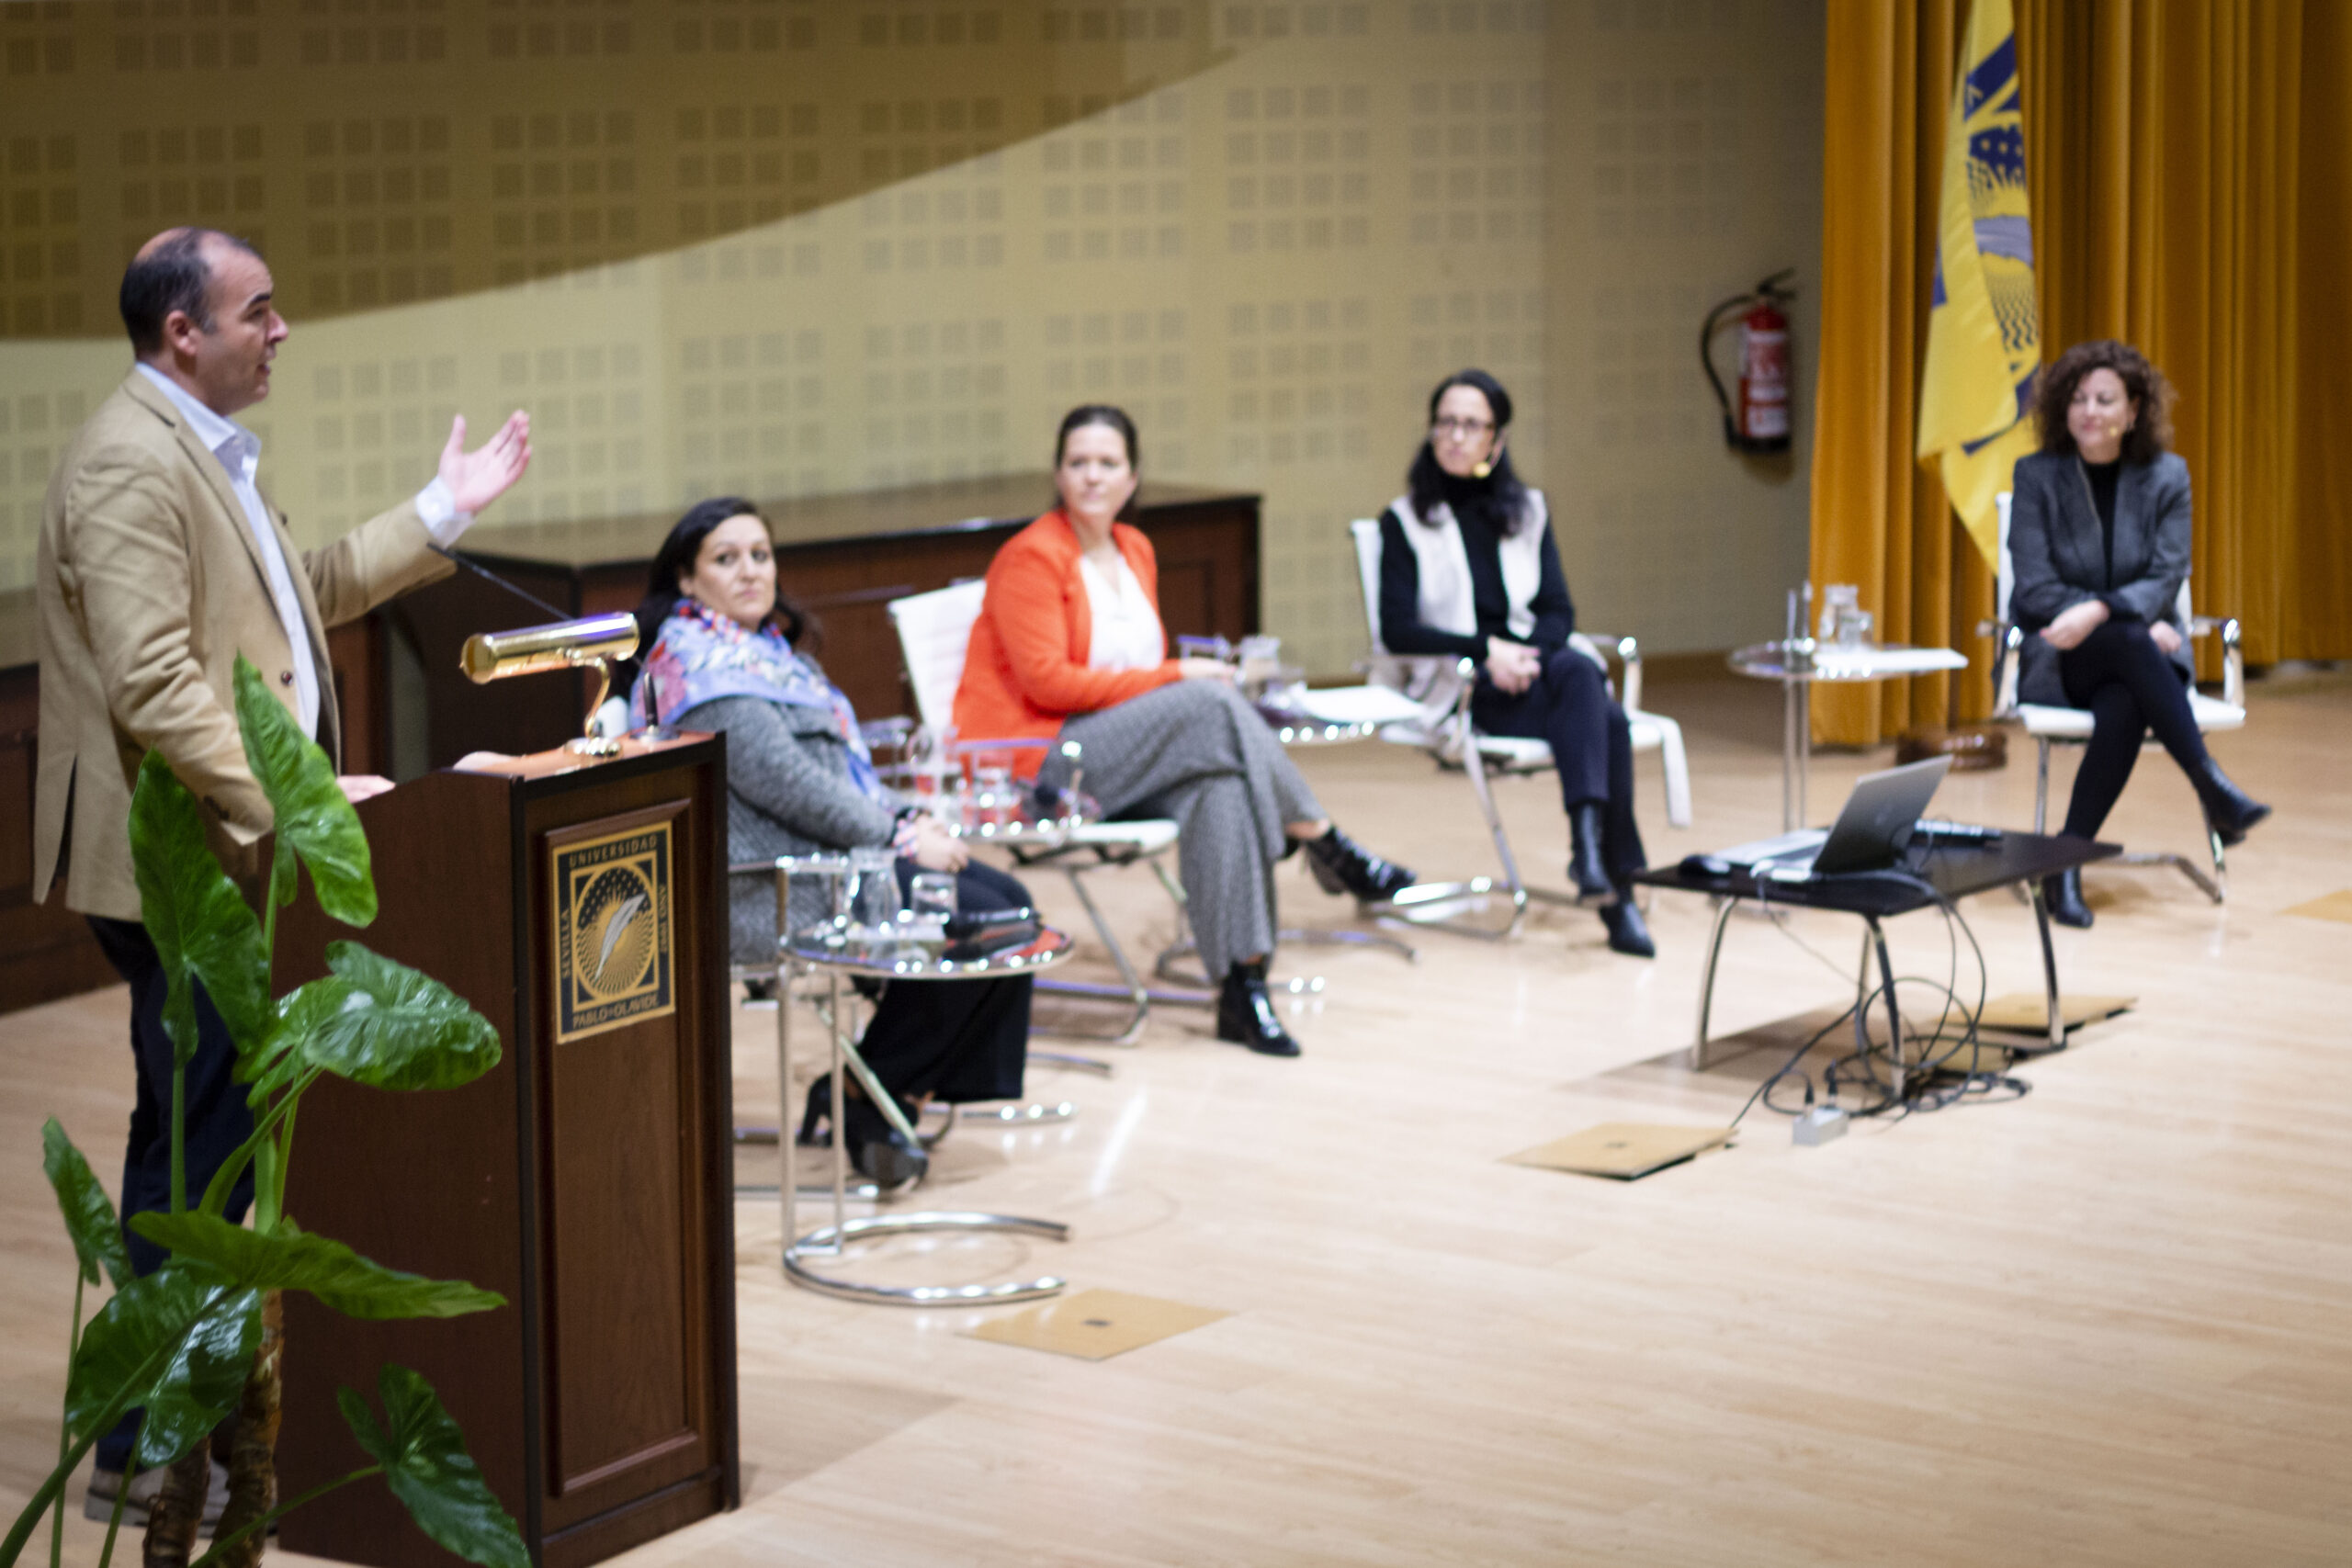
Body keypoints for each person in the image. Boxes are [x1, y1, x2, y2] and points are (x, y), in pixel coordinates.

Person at [33, 226, 532, 1517]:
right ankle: (144, 1446)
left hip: (225, 853)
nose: (281, 329)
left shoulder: (199, 449)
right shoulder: (130, 461)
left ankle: (162, 1425)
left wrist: (441, 512)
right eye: (258, 309)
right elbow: (153, 682)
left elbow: (293, 602)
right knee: (197, 1154)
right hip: (182, 861)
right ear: (182, 331)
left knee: (197, 1137)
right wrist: (291, 804)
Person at [952, 405, 1416, 1057]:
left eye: (1107, 463)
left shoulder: (1135, 549)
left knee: (1220, 785)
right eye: (1078, 462)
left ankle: (1241, 987)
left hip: (1119, 756)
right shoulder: (1031, 556)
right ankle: (1321, 837)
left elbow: (1132, 676)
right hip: (1045, 764)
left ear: (1132, 476)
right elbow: (1050, 684)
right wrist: (1175, 674)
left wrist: (1167, 680)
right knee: (1207, 699)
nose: (1092, 476)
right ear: (1058, 474)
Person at [630, 498, 1034, 1186]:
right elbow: (787, 784)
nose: (750, 571)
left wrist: (911, 817)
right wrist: (897, 835)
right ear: (687, 579)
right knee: (983, 921)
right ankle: (876, 1094)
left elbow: (842, 778)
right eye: (726, 559)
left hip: (839, 856)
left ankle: (881, 1087)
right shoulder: (699, 668)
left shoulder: (770, 656)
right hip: (777, 882)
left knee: (1012, 908)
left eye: (760, 555)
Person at [1375, 369, 1654, 957]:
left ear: (1496, 440)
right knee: (1607, 719)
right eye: (1445, 423)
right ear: (1431, 431)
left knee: (1577, 672)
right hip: (1464, 688)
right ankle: (1613, 883)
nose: (1455, 435)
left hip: (1532, 674)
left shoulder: (1527, 511)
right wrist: (1486, 653)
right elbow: (1398, 627)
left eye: (1471, 425)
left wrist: (1525, 659)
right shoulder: (1404, 521)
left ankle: (1591, 853)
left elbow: (1557, 609)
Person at [2008, 340, 2270, 929]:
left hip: (2139, 659)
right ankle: (2210, 786)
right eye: (2078, 399)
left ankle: (2065, 862)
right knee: (2130, 646)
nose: (2089, 411)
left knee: (2125, 701)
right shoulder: (2036, 475)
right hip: (2062, 654)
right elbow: (2035, 586)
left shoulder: (2167, 476)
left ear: (2133, 412)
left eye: (2105, 400)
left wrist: (2106, 612)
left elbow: (2167, 573)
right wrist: (2120, 617)